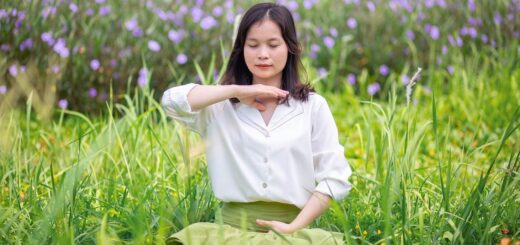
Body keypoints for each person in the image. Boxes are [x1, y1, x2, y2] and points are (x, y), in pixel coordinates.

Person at [162, 2, 352, 244]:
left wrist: (294, 226)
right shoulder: (221, 106)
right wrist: (236, 90)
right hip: (227, 233)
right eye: (253, 45)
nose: (263, 54)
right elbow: (171, 101)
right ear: (241, 50)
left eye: (273, 45)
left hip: (293, 233)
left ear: (291, 48)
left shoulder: (312, 107)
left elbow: (335, 177)